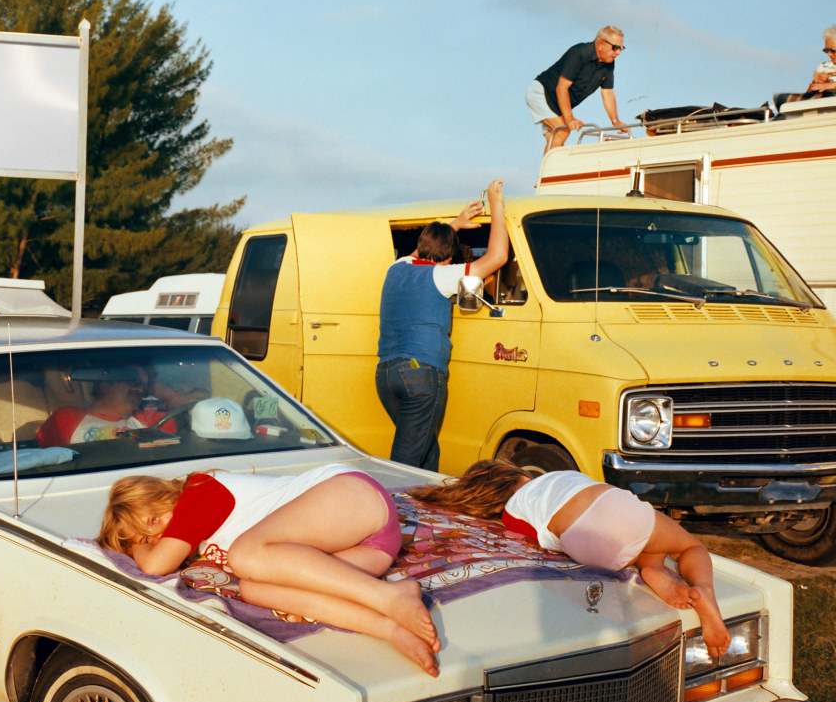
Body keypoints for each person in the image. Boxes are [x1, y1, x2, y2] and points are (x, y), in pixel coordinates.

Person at [99, 464, 441, 674]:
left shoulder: (199, 494)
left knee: (245, 556)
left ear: (162, 494)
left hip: (351, 495)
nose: (157, 535)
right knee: (253, 589)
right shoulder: (198, 541)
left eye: (154, 521)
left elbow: (158, 565)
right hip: (372, 546)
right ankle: (391, 629)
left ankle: (390, 596)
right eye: (146, 536)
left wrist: (142, 547)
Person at [417, 460, 729, 656]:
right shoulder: (558, 475)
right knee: (688, 547)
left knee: (629, 546)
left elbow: (543, 538)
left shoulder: (512, 513)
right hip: (614, 504)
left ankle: (650, 568)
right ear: (518, 475)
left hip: (586, 542)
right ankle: (702, 590)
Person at [376, 181, 509, 472]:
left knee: (426, 453)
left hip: (387, 375)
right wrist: (496, 204)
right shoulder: (443, 276)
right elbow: (497, 257)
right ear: (450, 258)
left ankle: (427, 511)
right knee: (407, 463)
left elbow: (421, 252)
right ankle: (392, 513)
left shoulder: (396, 267)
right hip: (420, 376)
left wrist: (457, 224)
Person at [527, 27, 626, 153]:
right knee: (562, 131)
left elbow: (607, 93)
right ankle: (548, 173)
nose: (618, 53)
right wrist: (569, 118)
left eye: (621, 49)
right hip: (542, 93)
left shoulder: (609, 64)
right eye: (615, 47)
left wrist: (615, 121)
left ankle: (550, 172)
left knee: (556, 140)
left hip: (558, 104)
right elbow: (562, 87)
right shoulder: (579, 52)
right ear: (601, 44)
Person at [36, 376, 178, 446]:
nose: (140, 390)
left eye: (144, 385)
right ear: (104, 383)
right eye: (134, 382)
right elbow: (52, 469)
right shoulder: (68, 417)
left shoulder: (154, 418)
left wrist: (170, 395)